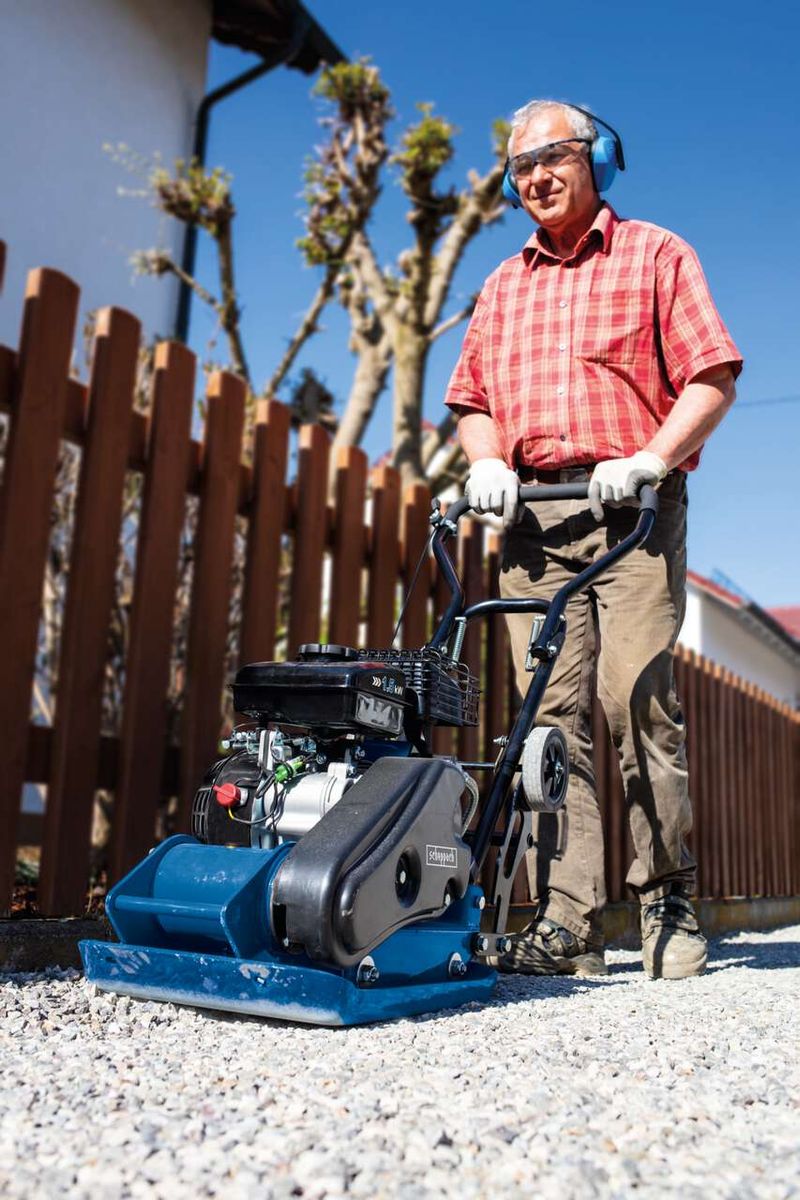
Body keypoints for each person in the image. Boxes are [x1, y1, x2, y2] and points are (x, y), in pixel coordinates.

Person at [444, 99, 742, 980]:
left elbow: (713, 377)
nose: (534, 176)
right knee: (547, 722)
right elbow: (471, 401)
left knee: (637, 702)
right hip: (534, 520)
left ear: (596, 157)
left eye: (551, 156)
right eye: (518, 166)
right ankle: (566, 921)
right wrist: (489, 461)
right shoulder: (503, 285)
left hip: (634, 510)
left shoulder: (655, 252)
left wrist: (651, 456)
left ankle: (666, 905)